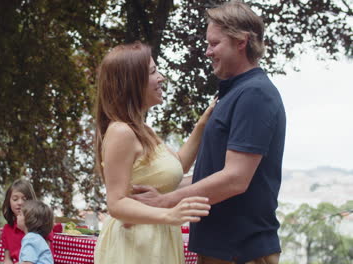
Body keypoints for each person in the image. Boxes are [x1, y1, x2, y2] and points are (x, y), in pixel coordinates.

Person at [132, 1, 286, 263]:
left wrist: (166, 201)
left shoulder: (255, 94)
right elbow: (212, 175)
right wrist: (157, 189)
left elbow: (235, 178)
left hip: (241, 250)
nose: (207, 52)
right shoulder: (234, 94)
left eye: (214, 43)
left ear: (241, 42)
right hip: (222, 249)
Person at [93, 41, 214, 264]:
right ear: (132, 82)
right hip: (135, 246)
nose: (161, 78)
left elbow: (178, 167)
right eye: (152, 72)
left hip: (156, 241)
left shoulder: (143, 129)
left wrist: (203, 124)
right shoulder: (121, 132)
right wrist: (169, 214)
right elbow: (116, 203)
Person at [0, 179, 55, 264]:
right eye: (15, 199)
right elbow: (7, 259)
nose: (20, 203)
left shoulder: (40, 227)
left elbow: (43, 257)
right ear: (9, 202)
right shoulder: (7, 229)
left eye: (25, 199)